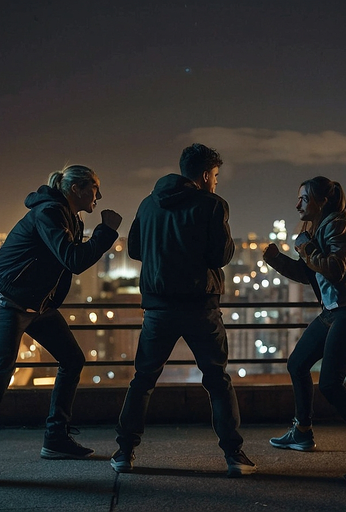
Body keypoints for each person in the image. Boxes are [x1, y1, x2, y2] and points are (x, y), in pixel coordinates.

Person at [0, 164, 122, 485]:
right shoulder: (50, 212)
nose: (99, 195)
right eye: (94, 188)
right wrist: (106, 231)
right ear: (75, 189)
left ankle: (55, 438)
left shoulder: (69, 216)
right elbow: (73, 259)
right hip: (9, 302)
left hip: (35, 304)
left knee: (72, 360)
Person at [111, 143, 255, 478]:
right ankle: (234, 454)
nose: (216, 182)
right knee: (217, 380)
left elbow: (134, 248)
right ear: (205, 175)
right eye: (216, 176)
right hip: (199, 306)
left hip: (158, 307)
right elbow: (221, 256)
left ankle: (124, 450)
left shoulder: (148, 204)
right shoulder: (212, 205)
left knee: (143, 379)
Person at [263, 176, 346, 484]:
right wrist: (277, 261)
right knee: (297, 364)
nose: (297, 204)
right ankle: (301, 432)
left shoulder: (338, 226)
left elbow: (335, 268)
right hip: (333, 312)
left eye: (303, 198)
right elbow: (310, 272)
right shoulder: (316, 230)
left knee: (331, 385)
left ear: (321, 201)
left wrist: (306, 248)